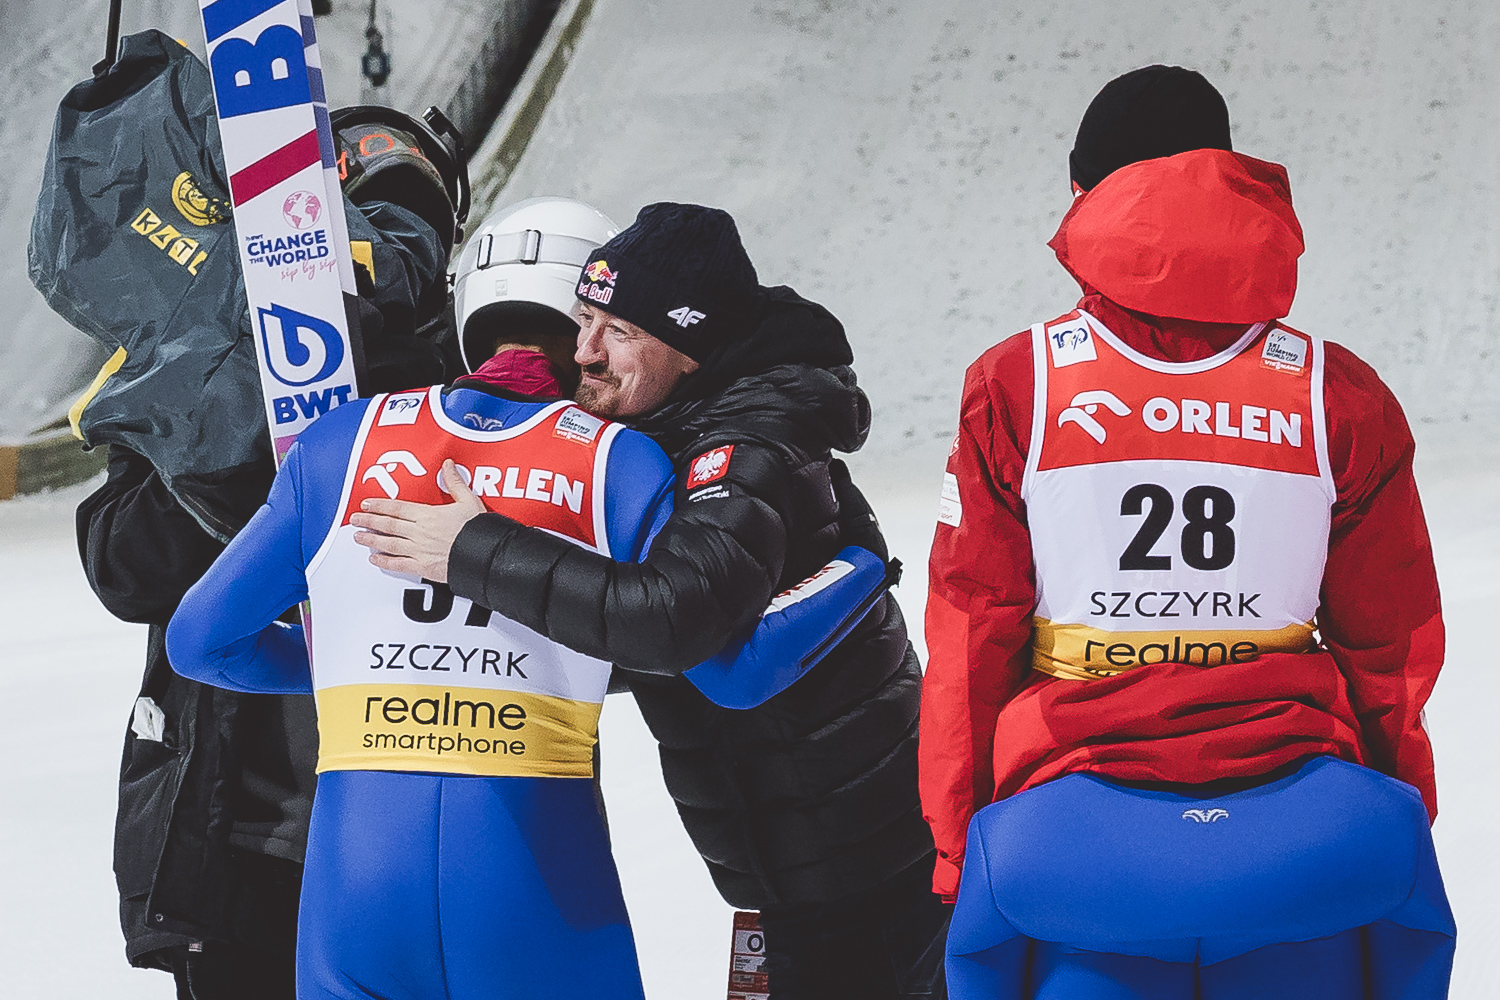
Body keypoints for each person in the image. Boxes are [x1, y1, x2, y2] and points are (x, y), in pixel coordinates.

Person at [921, 66, 1453, 997]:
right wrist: (1397, 820)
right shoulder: (1337, 393)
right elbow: (1393, 647)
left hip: (1075, 838)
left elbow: (972, 638)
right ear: (1233, 183)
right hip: (1301, 837)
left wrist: (960, 853)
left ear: (1082, 194)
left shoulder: (1016, 385)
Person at [351, 203, 950, 999]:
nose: (584, 352)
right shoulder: (669, 426)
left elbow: (670, 617)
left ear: (690, 347)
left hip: (861, 863)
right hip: (795, 856)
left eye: (620, 332)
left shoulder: (746, 448)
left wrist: (472, 550)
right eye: (584, 319)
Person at [73, 92, 465, 997]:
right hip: (239, 840)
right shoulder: (197, 358)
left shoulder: (474, 379)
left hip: (420, 835)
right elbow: (124, 567)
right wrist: (249, 404)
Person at [164, 367, 674, 998]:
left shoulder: (341, 441)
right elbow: (718, 663)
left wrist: (361, 668)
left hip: (357, 873)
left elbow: (199, 642)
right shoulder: (622, 461)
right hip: (533, 872)